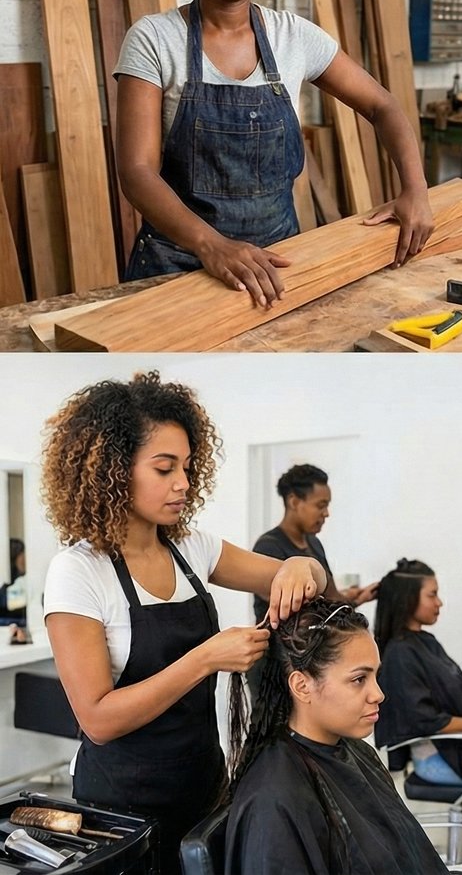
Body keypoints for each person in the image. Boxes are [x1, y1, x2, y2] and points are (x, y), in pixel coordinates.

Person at [39, 372, 329, 875]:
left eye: (187, 467)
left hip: (202, 784)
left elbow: (301, 575)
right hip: (120, 810)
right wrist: (206, 658)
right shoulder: (78, 571)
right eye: (164, 468)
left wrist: (304, 567)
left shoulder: (193, 547)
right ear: (112, 469)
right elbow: (99, 720)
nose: (183, 484)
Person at [113, 0, 434, 308]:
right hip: (178, 264)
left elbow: (383, 105)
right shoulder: (154, 38)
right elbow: (137, 171)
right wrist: (211, 246)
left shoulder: (293, 36)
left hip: (278, 266)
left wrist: (414, 188)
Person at [225, 600, 450, 874]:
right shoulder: (273, 801)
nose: (378, 694)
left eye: (375, 676)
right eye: (359, 679)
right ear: (302, 685)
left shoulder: (356, 751)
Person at [372, 558, 462, 788]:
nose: (439, 602)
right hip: (441, 760)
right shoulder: (400, 653)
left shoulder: (426, 642)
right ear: (408, 598)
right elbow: (424, 721)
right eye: (432, 595)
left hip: (458, 750)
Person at [251, 464, 375, 628]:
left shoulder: (314, 543)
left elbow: (331, 598)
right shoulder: (268, 547)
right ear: (294, 502)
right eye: (320, 505)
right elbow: (298, 608)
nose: (326, 513)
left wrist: (356, 598)